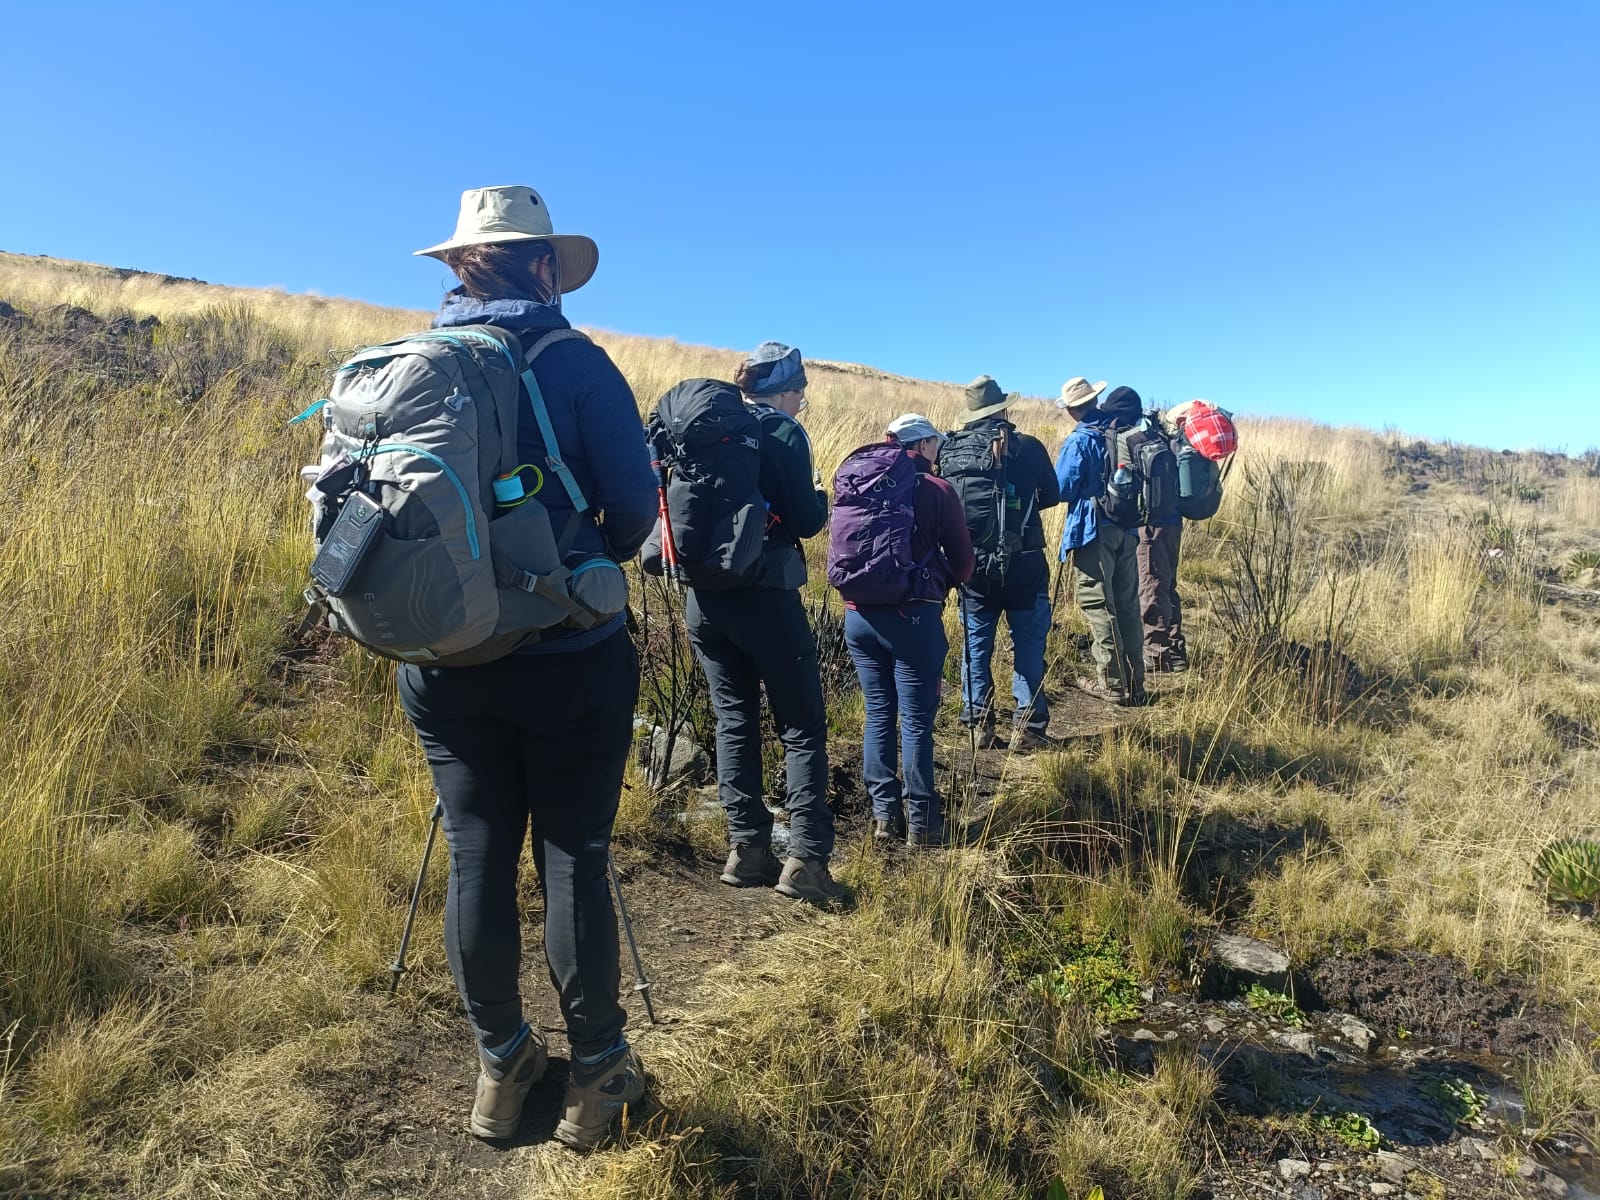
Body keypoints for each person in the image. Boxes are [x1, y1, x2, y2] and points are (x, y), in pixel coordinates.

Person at [401, 186, 656, 1148]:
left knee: (478, 850)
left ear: (463, 267)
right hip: (564, 655)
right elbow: (632, 519)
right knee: (573, 853)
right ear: (541, 265)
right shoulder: (576, 362)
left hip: (439, 653)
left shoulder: (413, 365)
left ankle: (502, 1070)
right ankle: (598, 1077)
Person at [683, 342, 842, 903]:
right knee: (800, 724)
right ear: (784, 388)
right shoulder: (782, 432)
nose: (803, 400)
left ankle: (747, 848)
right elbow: (803, 518)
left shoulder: (705, 424)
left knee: (734, 719)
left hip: (704, 597)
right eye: (800, 390)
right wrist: (819, 499)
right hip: (766, 592)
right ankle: (806, 860)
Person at [833, 413, 975, 847]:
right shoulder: (937, 489)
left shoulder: (858, 482)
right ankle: (921, 824)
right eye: (936, 441)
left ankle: (883, 817)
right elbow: (966, 564)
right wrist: (939, 582)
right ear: (925, 445)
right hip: (914, 617)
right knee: (915, 720)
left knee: (879, 713)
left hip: (858, 615)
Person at [945, 376, 1062, 750]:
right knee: (1028, 643)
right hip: (1024, 564)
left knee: (976, 645)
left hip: (971, 566)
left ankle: (978, 723)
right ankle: (1028, 728)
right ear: (1003, 409)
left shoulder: (950, 451)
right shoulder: (1028, 446)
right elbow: (1053, 495)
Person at [1054, 380, 1148, 705]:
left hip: (1093, 529)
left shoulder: (1080, 439)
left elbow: (1061, 488)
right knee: (1128, 605)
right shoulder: (1122, 432)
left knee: (1098, 605)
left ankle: (1111, 684)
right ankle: (1137, 683)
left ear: (1070, 409)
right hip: (1128, 528)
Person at [1137, 403, 1192, 674]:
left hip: (1151, 527)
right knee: (1168, 584)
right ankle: (1175, 648)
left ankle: (1157, 654)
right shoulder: (1174, 446)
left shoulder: (1146, 445)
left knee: (1150, 585)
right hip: (1173, 524)